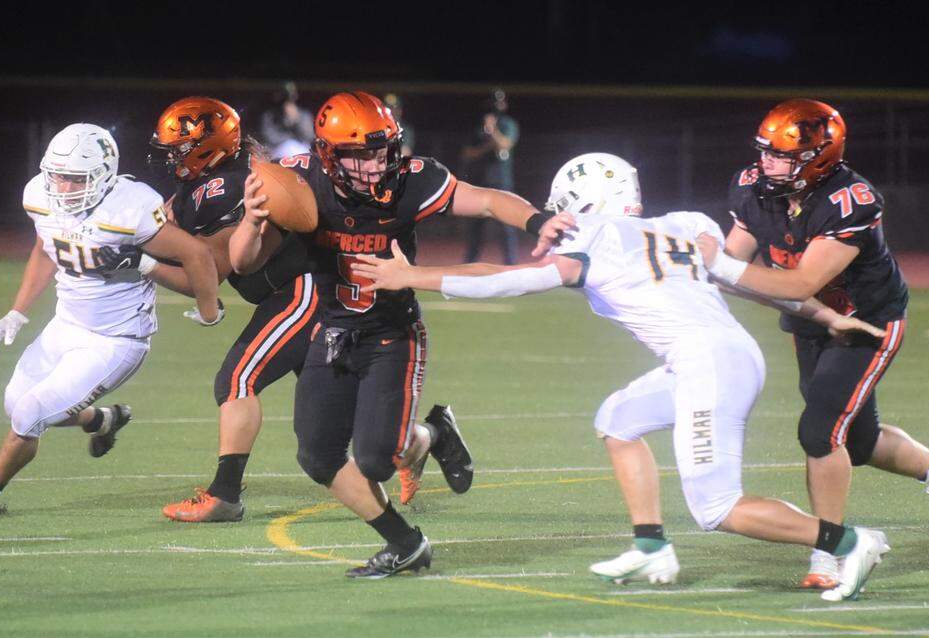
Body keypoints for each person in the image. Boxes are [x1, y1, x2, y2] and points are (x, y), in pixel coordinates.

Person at [352, 152, 895, 601]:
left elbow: (505, 279)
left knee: (717, 508)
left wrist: (411, 277)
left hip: (707, 364)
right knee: (618, 419)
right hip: (722, 355)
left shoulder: (593, 238)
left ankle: (849, 542)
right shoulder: (685, 224)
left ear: (582, 203)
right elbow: (743, 282)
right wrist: (823, 314)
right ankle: (652, 547)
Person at [229, 91, 574, 578]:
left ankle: (432, 432)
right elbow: (242, 263)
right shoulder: (302, 181)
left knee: (377, 459)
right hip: (331, 331)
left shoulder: (412, 180)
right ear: (329, 154)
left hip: (392, 332)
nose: (374, 164)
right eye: (359, 154)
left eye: (380, 150)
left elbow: (490, 201)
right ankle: (405, 543)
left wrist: (539, 219)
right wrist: (252, 219)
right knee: (318, 454)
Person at [695, 99, 929, 590]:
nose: (765, 163)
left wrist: (718, 267)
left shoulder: (850, 199)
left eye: (780, 156)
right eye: (764, 152)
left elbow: (796, 283)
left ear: (818, 156)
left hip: (866, 322)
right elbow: (734, 261)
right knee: (856, 442)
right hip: (812, 322)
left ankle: (829, 551)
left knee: (819, 432)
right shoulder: (753, 188)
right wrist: (703, 267)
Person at [113, 96, 452, 522]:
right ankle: (427, 436)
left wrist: (140, 261)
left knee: (237, 380)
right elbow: (166, 228)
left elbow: (211, 269)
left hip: (303, 290)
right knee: (353, 425)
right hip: (288, 292)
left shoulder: (226, 186)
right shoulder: (203, 186)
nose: (169, 159)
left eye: (176, 149)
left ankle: (225, 495)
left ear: (206, 145)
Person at [0, 123, 222, 517]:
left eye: (74, 179)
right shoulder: (38, 195)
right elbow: (45, 249)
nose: (61, 187)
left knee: (31, 412)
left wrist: (210, 312)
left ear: (104, 174)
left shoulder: (131, 207)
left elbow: (197, 255)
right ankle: (102, 419)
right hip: (65, 325)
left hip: (117, 338)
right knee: (15, 405)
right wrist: (17, 311)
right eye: (56, 176)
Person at [461, 89, 521, 265]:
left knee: (507, 227)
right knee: (475, 229)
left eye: (500, 102)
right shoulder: (477, 126)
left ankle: (511, 265)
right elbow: (467, 153)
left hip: (502, 184)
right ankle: (469, 265)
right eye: (494, 102)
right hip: (480, 184)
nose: (496, 106)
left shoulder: (508, 124)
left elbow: (505, 144)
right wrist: (487, 145)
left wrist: (493, 130)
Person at [259, 81, 315, 160]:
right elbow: (270, 139)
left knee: (297, 148)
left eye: (289, 97)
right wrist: (286, 124)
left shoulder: (303, 115)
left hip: (301, 153)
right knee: (290, 146)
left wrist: (296, 121)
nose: (286, 102)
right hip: (278, 154)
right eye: (284, 97)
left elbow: (310, 137)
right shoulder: (270, 116)